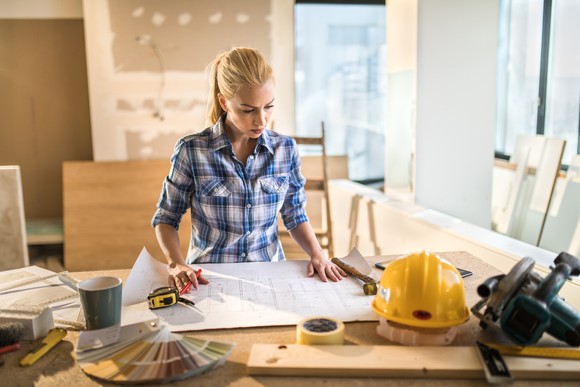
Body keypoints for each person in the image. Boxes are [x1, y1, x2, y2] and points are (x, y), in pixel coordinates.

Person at [152, 47, 346, 293]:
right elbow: (166, 218)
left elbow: (295, 214)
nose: (262, 120)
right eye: (248, 110)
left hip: (270, 276)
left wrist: (318, 254)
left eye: (269, 106)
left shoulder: (286, 149)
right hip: (209, 279)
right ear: (224, 102)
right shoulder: (192, 151)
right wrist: (175, 264)